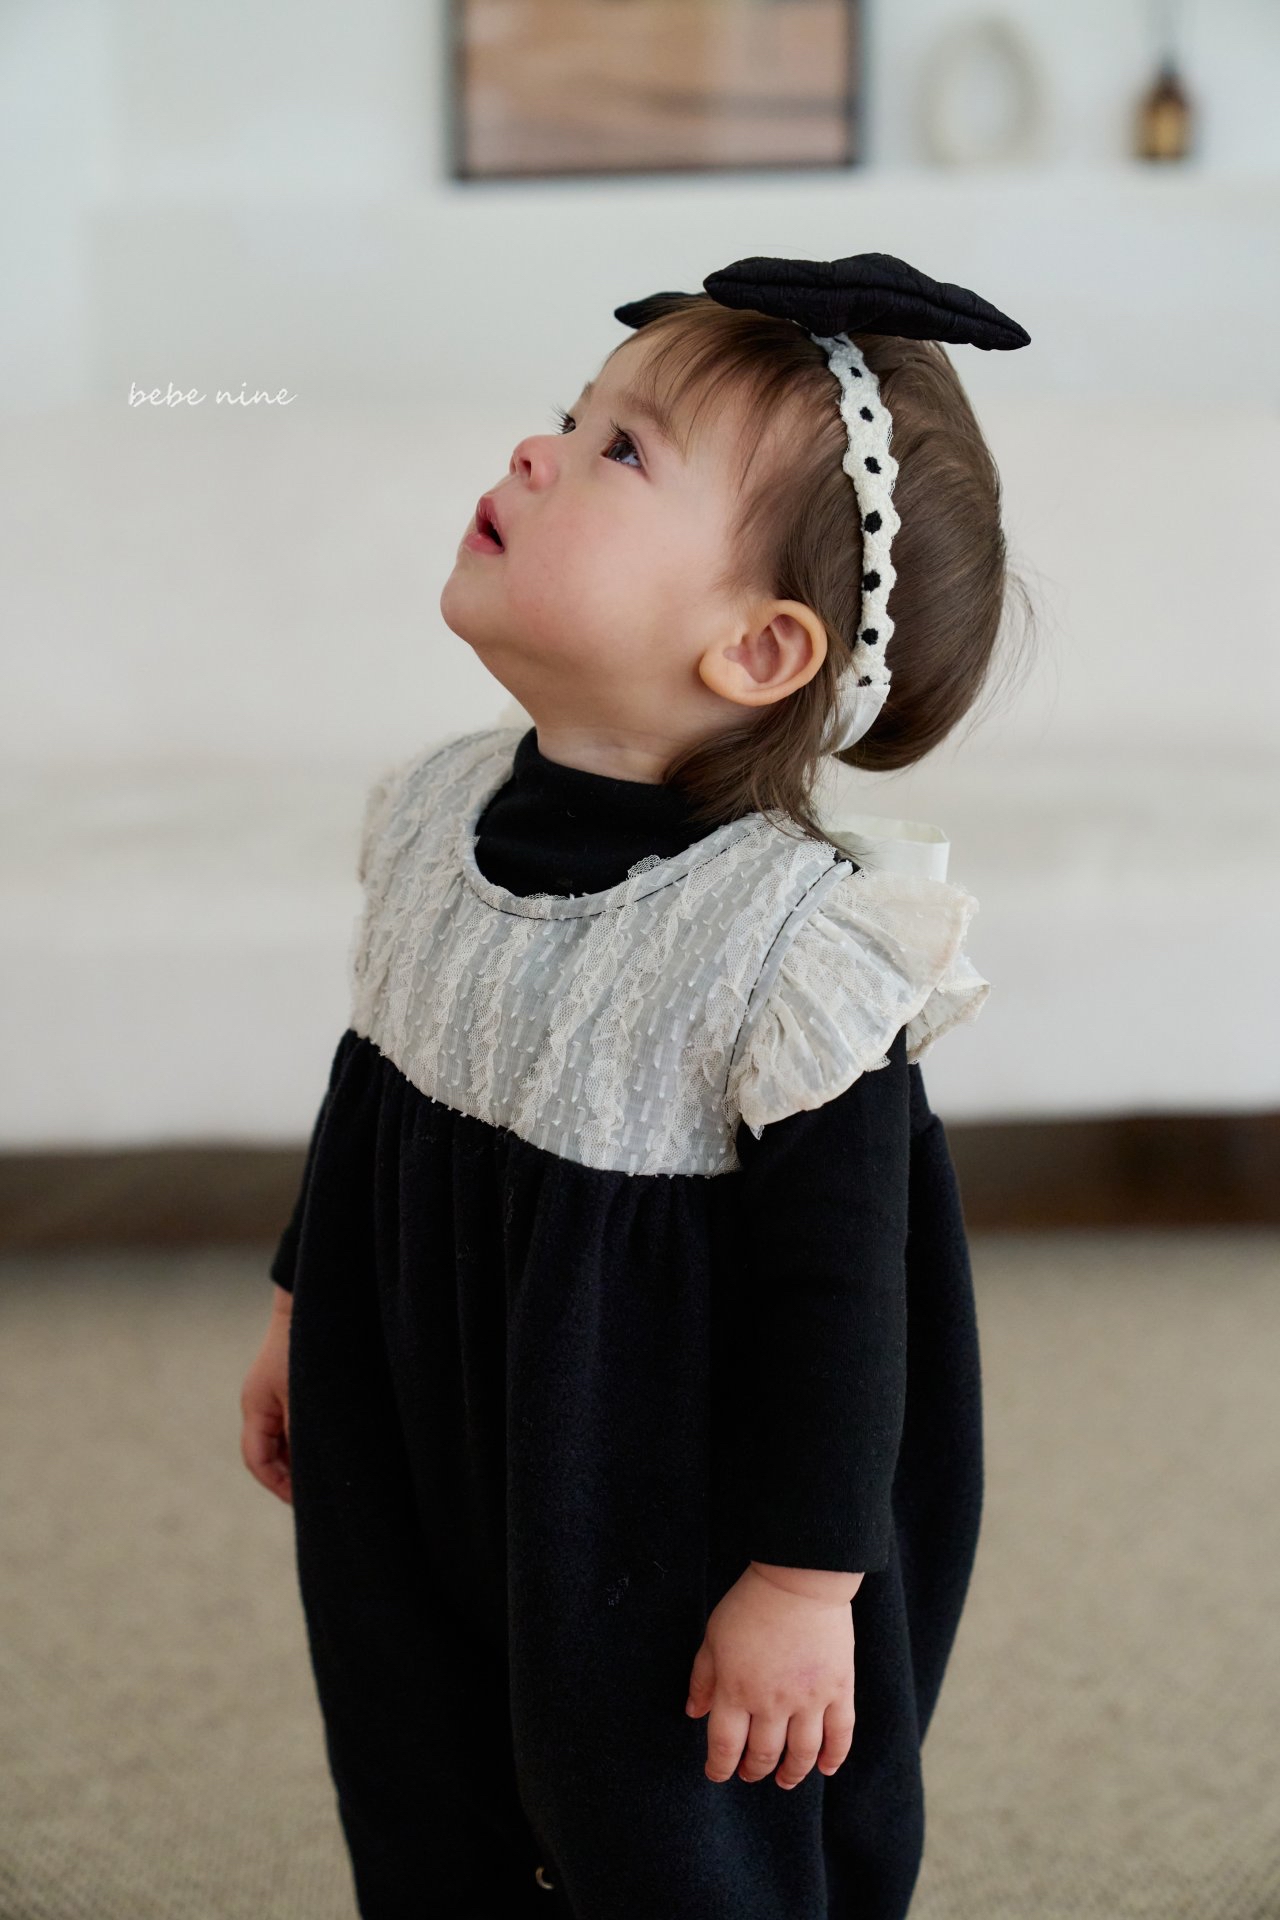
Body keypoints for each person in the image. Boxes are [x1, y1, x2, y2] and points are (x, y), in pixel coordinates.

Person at [240, 252, 1032, 1920]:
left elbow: (848, 1299)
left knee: (663, 1816)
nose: (536, 450)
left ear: (757, 647)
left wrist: (802, 1580)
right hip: (419, 1420)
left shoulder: (791, 952)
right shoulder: (434, 815)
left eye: (619, 451)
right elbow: (376, 1075)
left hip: (651, 1488)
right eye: (569, 416)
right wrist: (303, 1303)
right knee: (419, 1752)